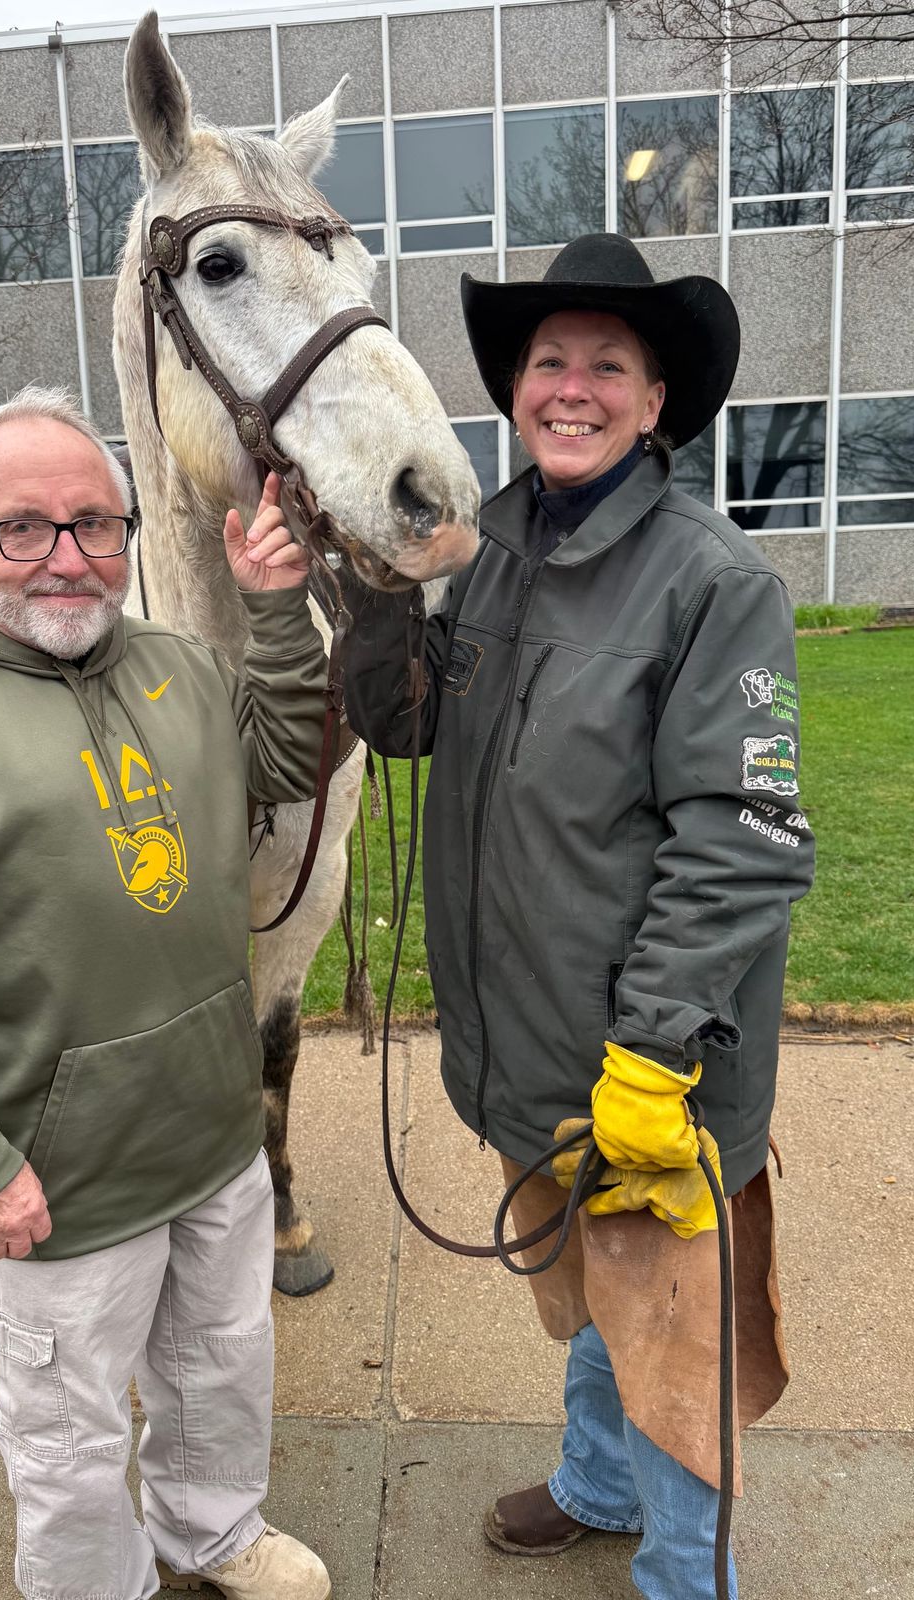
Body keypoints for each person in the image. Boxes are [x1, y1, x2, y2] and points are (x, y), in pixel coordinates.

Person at [0, 386, 333, 1600]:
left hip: (209, 1127)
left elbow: (288, 756)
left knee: (222, 1364)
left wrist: (276, 611)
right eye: (23, 528)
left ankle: (213, 1530)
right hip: (51, 1171)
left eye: (96, 523)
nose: (68, 557)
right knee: (69, 1431)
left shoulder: (177, 667)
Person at [339, 234, 815, 1600]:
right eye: (552, 360)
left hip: (645, 1064)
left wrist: (654, 1053)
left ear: (657, 401)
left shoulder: (714, 583)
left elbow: (746, 839)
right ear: (517, 385)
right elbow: (399, 723)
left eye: (610, 364)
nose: (573, 386)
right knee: (596, 1304)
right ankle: (597, 1488)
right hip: (533, 1049)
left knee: (673, 1349)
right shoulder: (485, 549)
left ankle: (683, 1577)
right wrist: (374, 589)